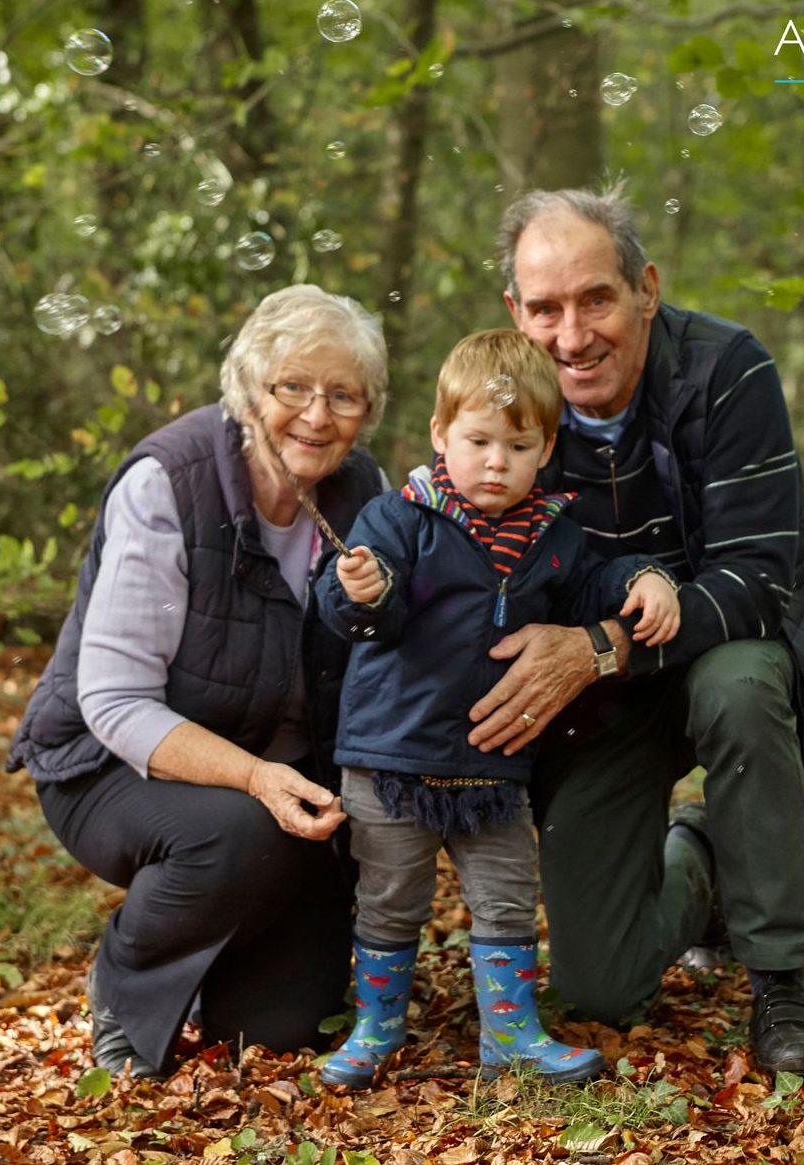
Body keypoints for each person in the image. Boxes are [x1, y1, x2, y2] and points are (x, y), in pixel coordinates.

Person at [463, 185, 804, 1076]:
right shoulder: (501, 413)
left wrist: (600, 642)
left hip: (721, 651)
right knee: (600, 988)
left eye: (596, 298)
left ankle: (782, 978)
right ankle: (707, 855)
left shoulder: (728, 369)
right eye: (547, 308)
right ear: (514, 312)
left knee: (743, 683)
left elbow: (760, 581)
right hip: (601, 704)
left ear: (645, 285)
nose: (572, 336)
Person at [6, 284, 389, 1079]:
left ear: (368, 410)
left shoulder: (364, 493)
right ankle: (126, 985)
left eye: (343, 394)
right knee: (236, 830)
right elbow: (111, 700)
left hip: (269, 772)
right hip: (108, 764)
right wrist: (257, 778)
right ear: (250, 388)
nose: (317, 415)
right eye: (293, 387)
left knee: (284, 1031)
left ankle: (219, 962)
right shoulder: (170, 482)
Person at [312, 329, 681, 1090]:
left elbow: (590, 591)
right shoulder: (399, 519)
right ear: (441, 435)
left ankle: (509, 1033)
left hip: (492, 767)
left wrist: (644, 577)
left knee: (507, 898)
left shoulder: (554, 534)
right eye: (477, 441)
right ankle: (376, 1026)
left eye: (516, 446)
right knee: (389, 900)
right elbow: (358, 615)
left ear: (545, 448)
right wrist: (361, 589)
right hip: (392, 760)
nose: (494, 462)